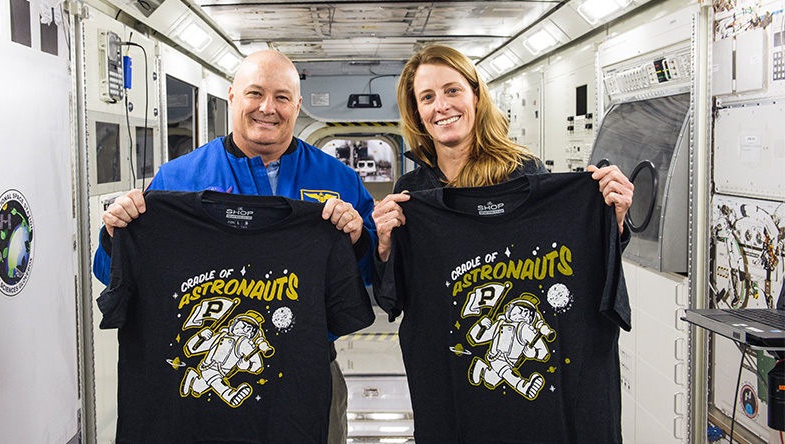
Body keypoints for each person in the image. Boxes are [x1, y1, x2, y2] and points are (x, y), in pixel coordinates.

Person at [92, 49, 375, 444]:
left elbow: (367, 278)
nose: (267, 108)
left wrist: (359, 239)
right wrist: (116, 233)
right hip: (195, 382)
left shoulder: (339, 180)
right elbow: (118, 275)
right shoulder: (178, 178)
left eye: (281, 97)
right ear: (231, 96)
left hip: (305, 374)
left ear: (297, 105)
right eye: (254, 93)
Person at [372, 45, 633, 260]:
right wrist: (385, 246)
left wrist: (613, 221)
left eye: (452, 90)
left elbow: (567, 257)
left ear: (475, 96)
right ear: (417, 112)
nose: (441, 106)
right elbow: (394, 297)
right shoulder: (410, 190)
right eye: (427, 97)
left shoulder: (523, 172)